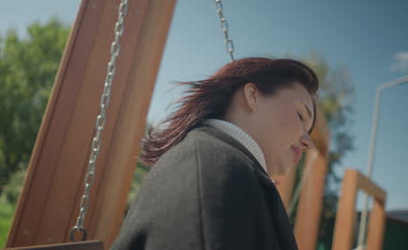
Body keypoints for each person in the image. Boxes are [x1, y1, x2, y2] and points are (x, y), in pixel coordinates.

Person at [111, 57, 319, 250]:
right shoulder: (213, 169)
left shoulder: (222, 166)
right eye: (301, 115)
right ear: (252, 96)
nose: (307, 142)